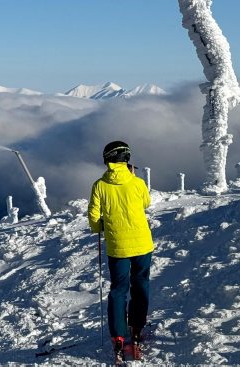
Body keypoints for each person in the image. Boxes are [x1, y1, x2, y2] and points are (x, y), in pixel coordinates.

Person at [87, 141, 153, 362]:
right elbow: (146, 202)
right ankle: (136, 327)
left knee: (118, 289)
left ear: (107, 160)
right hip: (142, 244)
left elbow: (94, 222)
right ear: (127, 159)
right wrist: (132, 178)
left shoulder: (99, 186)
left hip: (118, 247)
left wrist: (103, 226)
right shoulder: (137, 183)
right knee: (140, 283)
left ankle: (118, 334)